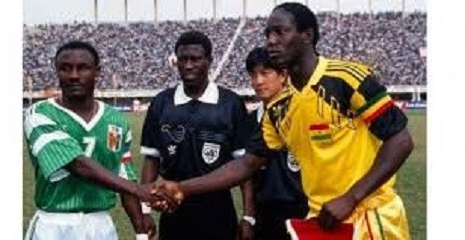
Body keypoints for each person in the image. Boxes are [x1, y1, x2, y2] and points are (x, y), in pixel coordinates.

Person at [152, 3, 414, 240]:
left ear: (307, 35)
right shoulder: (279, 107)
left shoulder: (347, 79)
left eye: (280, 32)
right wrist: (182, 187)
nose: (271, 41)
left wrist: (351, 197)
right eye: (268, 34)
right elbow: (247, 164)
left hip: (369, 214)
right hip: (322, 219)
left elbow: (401, 141)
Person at [23, 41, 160, 240]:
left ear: (97, 72)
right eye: (65, 68)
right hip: (56, 225)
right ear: (57, 72)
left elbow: (124, 176)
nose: (73, 76)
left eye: (83, 68)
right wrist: (139, 190)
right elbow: (78, 165)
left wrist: (140, 230)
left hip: (101, 225)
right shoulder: (40, 114)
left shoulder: (117, 119)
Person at [139, 30, 253, 240]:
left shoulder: (231, 104)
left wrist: (248, 216)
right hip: (173, 209)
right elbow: (151, 159)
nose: (189, 65)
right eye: (183, 59)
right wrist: (144, 210)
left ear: (209, 61)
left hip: (218, 210)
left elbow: (244, 167)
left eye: (195, 59)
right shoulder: (162, 103)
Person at [244, 47, 309, 240]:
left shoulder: (302, 113)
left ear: (283, 75)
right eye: (253, 75)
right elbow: (245, 172)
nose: (258, 81)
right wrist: (249, 216)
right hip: (264, 215)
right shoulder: (248, 122)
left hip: (303, 211)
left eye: (265, 73)